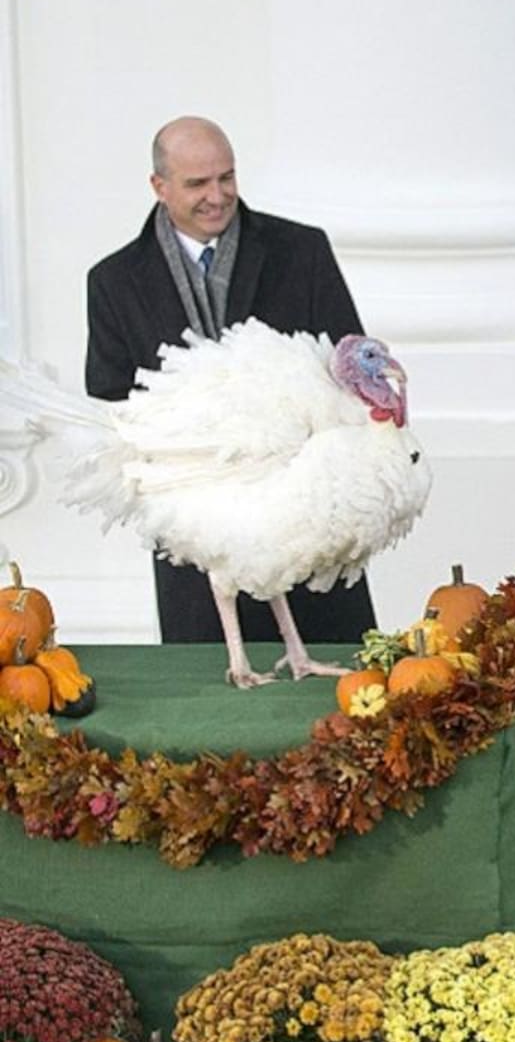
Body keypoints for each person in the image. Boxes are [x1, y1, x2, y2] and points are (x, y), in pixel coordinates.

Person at [85, 116, 376, 645]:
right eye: (197, 183)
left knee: (339, 702)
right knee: (215, 704)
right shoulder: (113, 281)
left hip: (310, 525)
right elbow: (109, 399)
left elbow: (349, 369)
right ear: (159, 186)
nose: (217, 196)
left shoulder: (302, 251)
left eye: (227, 177)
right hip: (199, 536)